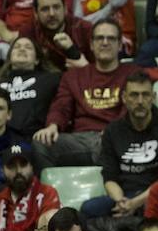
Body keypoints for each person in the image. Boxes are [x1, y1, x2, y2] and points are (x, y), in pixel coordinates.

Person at [35, 23, 139, 172]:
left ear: (119, 45)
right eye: (99, 38)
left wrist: (114, 131)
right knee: (40, 143)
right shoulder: (73, 76)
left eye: (111, 38)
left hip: (118, 137)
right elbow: (61, 105)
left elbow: (133, 108)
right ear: (91, 44)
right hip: (81, 139)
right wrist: (53, 125)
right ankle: (53, 194)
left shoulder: (132, 73)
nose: (105, 42)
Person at [87, 71, 158, 219]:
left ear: (153, 97)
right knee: (89, 209)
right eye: (134, 95)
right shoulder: (113, 130)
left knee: (151, 211)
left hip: (156, 196)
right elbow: (109, 175)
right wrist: (121, 202)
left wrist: (135, 203)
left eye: (145, 95)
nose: (140, 101)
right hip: (123, 196)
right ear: (124, 98)